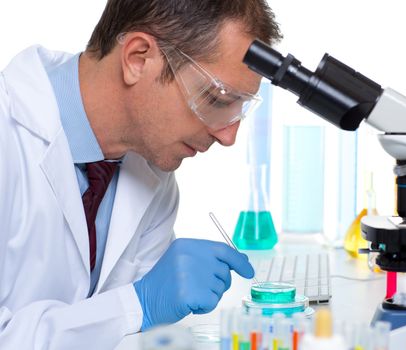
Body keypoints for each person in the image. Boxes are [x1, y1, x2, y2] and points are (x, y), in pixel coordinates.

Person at [0, 0, 282, 348]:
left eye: (239, 110)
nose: (228, 136)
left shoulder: (152, 178)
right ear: (138, 58)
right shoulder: (8, 137)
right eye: (216, 98)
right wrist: (138, 304)